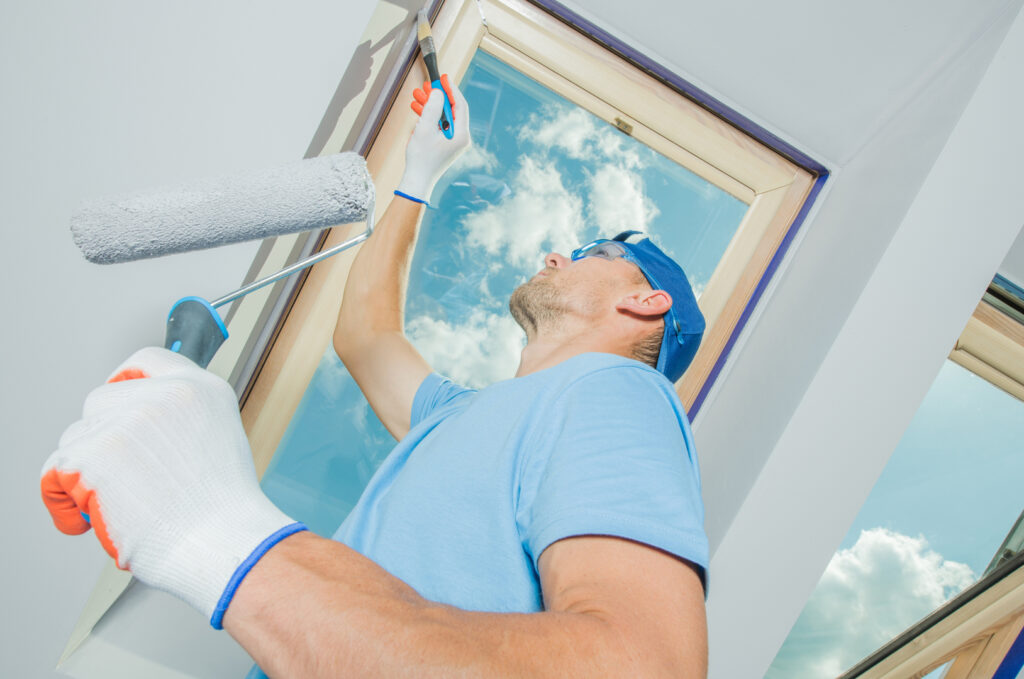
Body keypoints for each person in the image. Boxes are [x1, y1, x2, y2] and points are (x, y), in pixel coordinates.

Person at [42, 78, 710, 678]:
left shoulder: (620, 392)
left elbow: (642, 664)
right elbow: (367, 337)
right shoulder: (462, 413)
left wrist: (212, 529)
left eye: (598, 253)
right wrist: (420, 172)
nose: (558, 253)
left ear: (647, 301)